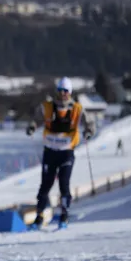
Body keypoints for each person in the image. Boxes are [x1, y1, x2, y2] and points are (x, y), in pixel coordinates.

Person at [26, 77, 95, 229]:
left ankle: (64, 216)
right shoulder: (47, 107)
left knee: (64, 183)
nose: (63, 94)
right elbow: (36, 119)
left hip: (66, 152)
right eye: (60, 90)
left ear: (70, 92)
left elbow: (89, 122)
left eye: (66, 91)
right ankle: (39, 217)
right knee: (46, 185)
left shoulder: (77, 108)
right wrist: (31, 127)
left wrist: (89, 131)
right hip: (50, 152)